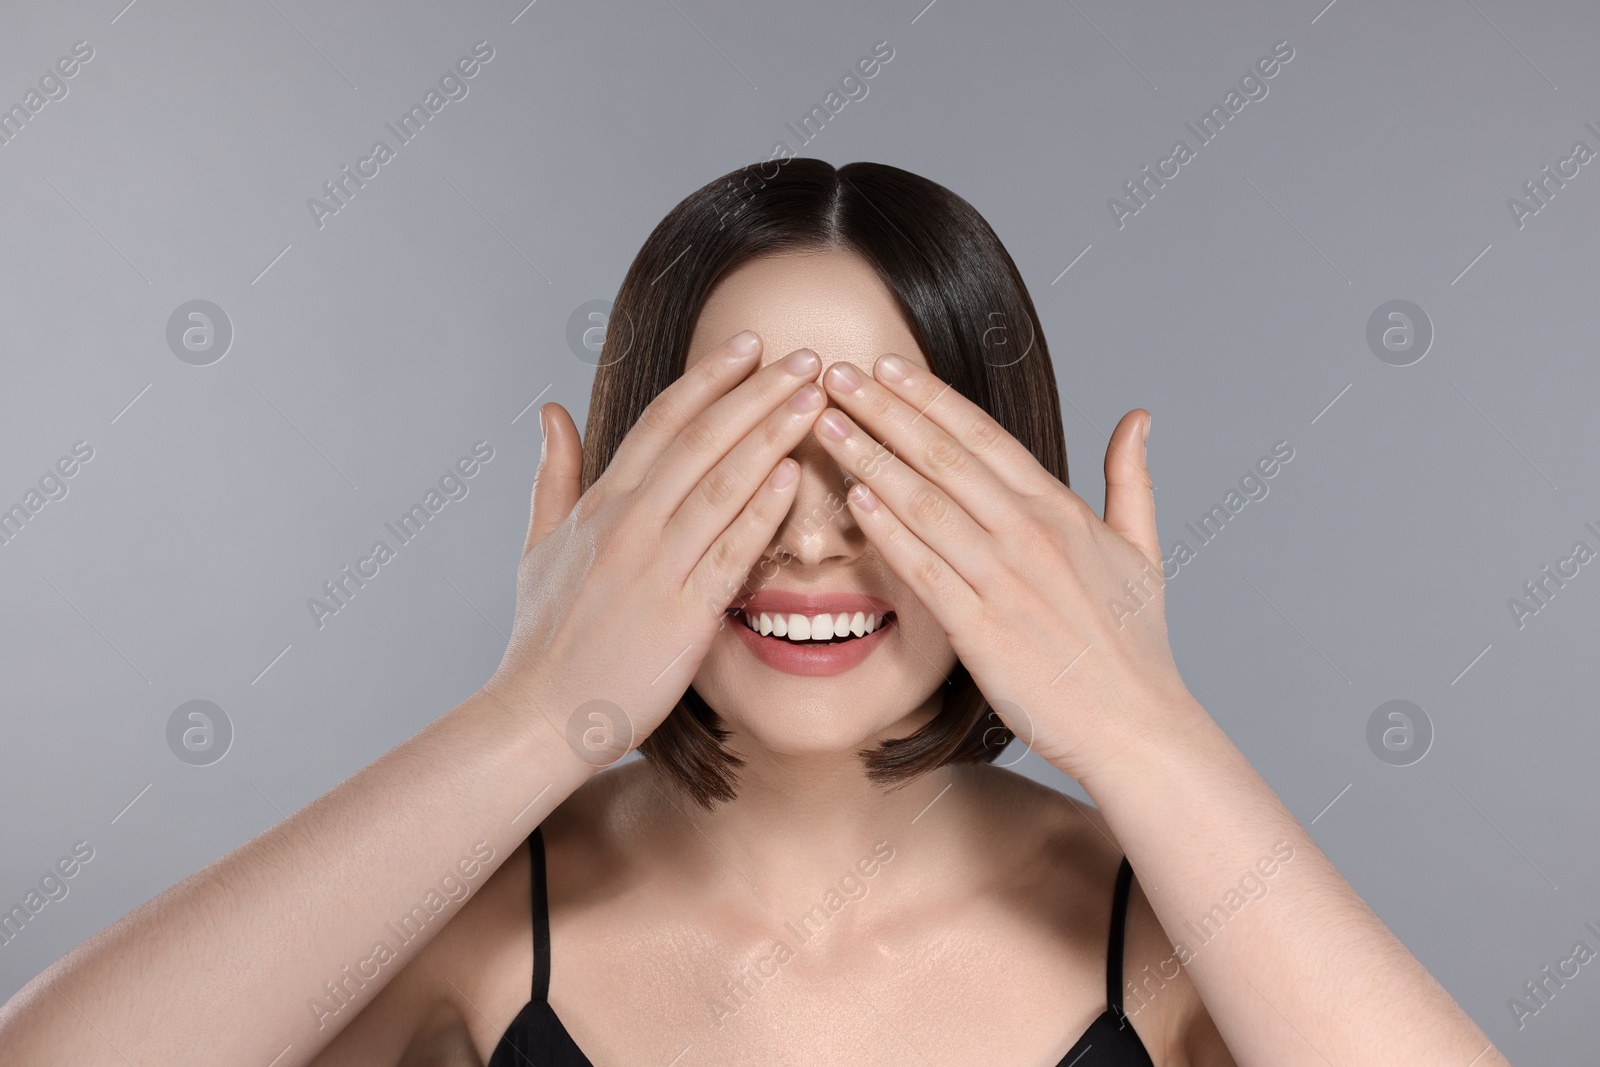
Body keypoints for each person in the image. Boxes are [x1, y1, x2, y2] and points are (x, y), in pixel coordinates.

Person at [0, 159, 1504, 1066]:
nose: (805, 536)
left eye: (890, 465)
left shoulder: (1166, 930)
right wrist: (531, 717)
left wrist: (1143, 729)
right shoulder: (480, 914)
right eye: (736, 462)